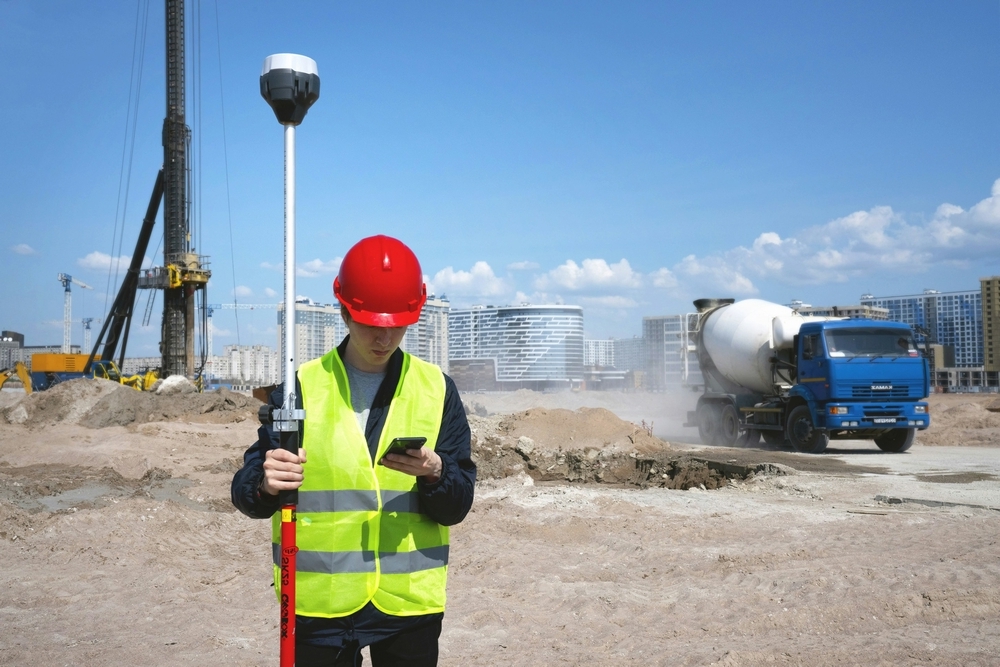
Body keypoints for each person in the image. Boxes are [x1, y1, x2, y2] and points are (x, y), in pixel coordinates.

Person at [232, 235, 476, 666]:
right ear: (345, 311)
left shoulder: (437, 390)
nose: (384, 337)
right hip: (319, 605)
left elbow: (457, 506)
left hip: (407, 607)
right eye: (370, 324)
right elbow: (247, 493)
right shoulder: (299, 388)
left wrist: (437, 472)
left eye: (395, 325)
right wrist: (266, 485)